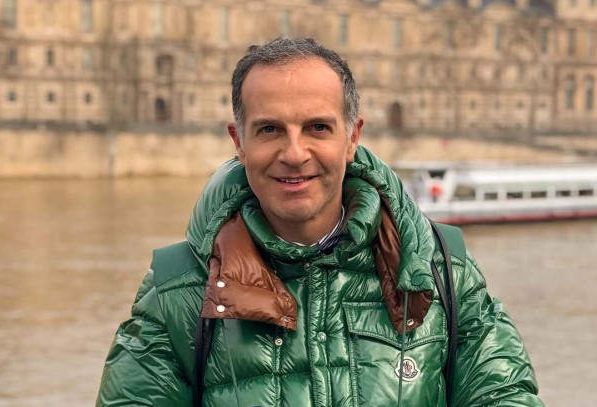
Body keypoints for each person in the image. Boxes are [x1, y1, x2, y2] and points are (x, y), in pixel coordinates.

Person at [96, 38, 543, 407]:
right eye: (270, 129)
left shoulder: (444, 270)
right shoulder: (177, 291)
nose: (294, 154)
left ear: (352, 137)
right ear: (239, 142)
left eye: (317, 128)